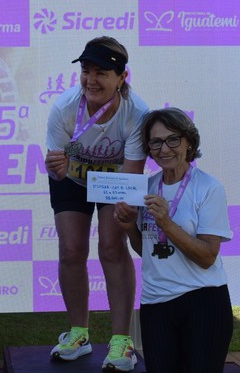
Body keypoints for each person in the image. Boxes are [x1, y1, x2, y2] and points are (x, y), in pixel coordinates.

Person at [44, 36, 149, 372]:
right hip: (72, 179)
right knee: (71, 249)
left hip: (113, 181)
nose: (91, 80)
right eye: (86, 71)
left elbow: (131, 175)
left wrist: (125, 209)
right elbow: (56, 165)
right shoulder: (63, 108)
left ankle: (122, 341)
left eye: (101, 73)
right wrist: (55, 167)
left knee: (111, 246)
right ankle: (79, 333)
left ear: (122, 77)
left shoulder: (137, 114)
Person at [113, 107, 233, 373]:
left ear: (189, 142)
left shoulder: (209, 188)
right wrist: (129, 227)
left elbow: (207, 257)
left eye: (172, 139)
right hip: (156, 304)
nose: (164, 149)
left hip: (203, 302)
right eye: (156, 142)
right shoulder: (145, 188)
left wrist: (167, 223)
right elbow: (148, 251)